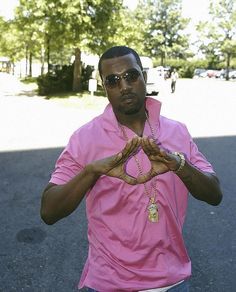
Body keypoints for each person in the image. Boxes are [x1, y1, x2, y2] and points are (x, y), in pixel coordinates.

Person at [40, 46, 223, 291]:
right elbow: (49, 211)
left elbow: (214, 194)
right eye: (113, 80)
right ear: (104, 87)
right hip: (108, 282)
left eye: (131, 76)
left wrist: (179, 165)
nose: (124, 86)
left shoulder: (177, 131)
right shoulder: (85, 139)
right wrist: (91, 172)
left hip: (173, 282)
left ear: (144, 77)